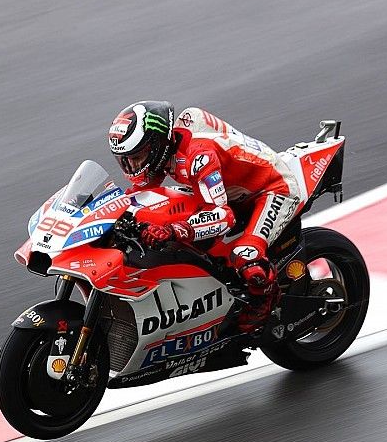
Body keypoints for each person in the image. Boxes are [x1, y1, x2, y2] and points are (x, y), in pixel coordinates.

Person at [108, 101, 304, 332]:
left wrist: (177, 230)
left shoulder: (198, 157)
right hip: (232, 191)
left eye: (137, 156)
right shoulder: (165, 151)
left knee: (245, 255)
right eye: (126, 160)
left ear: (157, 144)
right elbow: (139, 196)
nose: (132, 166)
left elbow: (223, 217)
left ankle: (265, 301)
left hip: (271, 188)